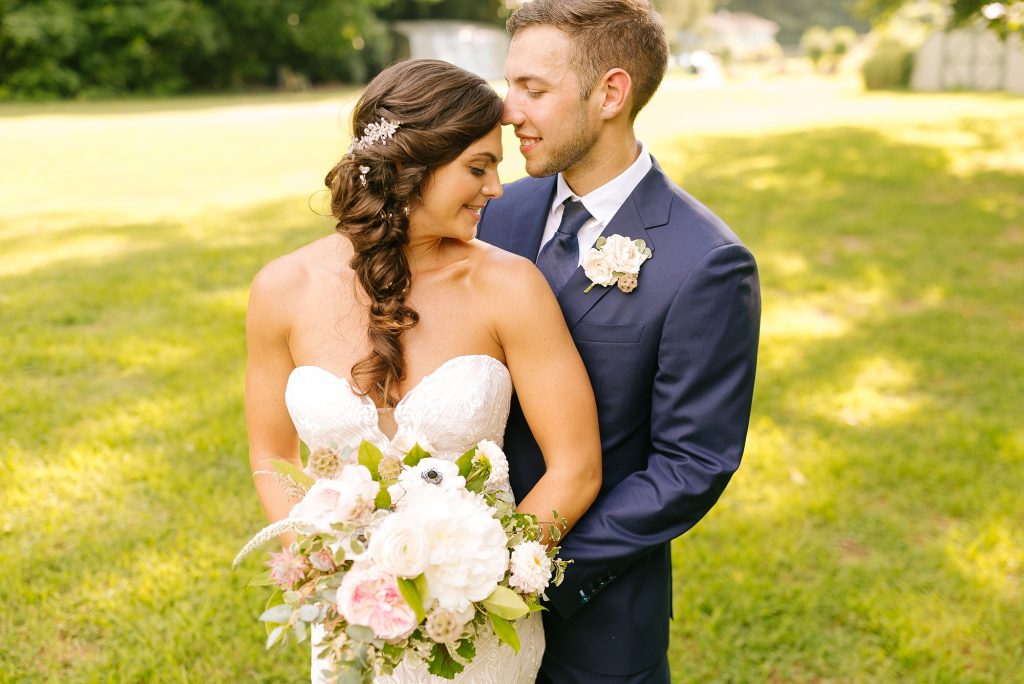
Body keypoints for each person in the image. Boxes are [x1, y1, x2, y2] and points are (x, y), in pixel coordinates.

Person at [244, 59, 602, 683]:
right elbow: (269, 449)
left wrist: (483, 579)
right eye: (478, 167)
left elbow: (576, 465)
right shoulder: (282, 288)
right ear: (410, 169)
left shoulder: (511, 287)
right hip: (350, 617)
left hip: (478, 629)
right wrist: (318, 559)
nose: (496, 188)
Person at [476, 1, 762, 682]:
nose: (509, 112)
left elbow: (690, 465)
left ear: (610, 92)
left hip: (594, 620)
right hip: (451, 590)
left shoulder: (707, 262)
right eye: (509, 85)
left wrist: (522, 572)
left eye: (533, 91)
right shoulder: (496, 210)